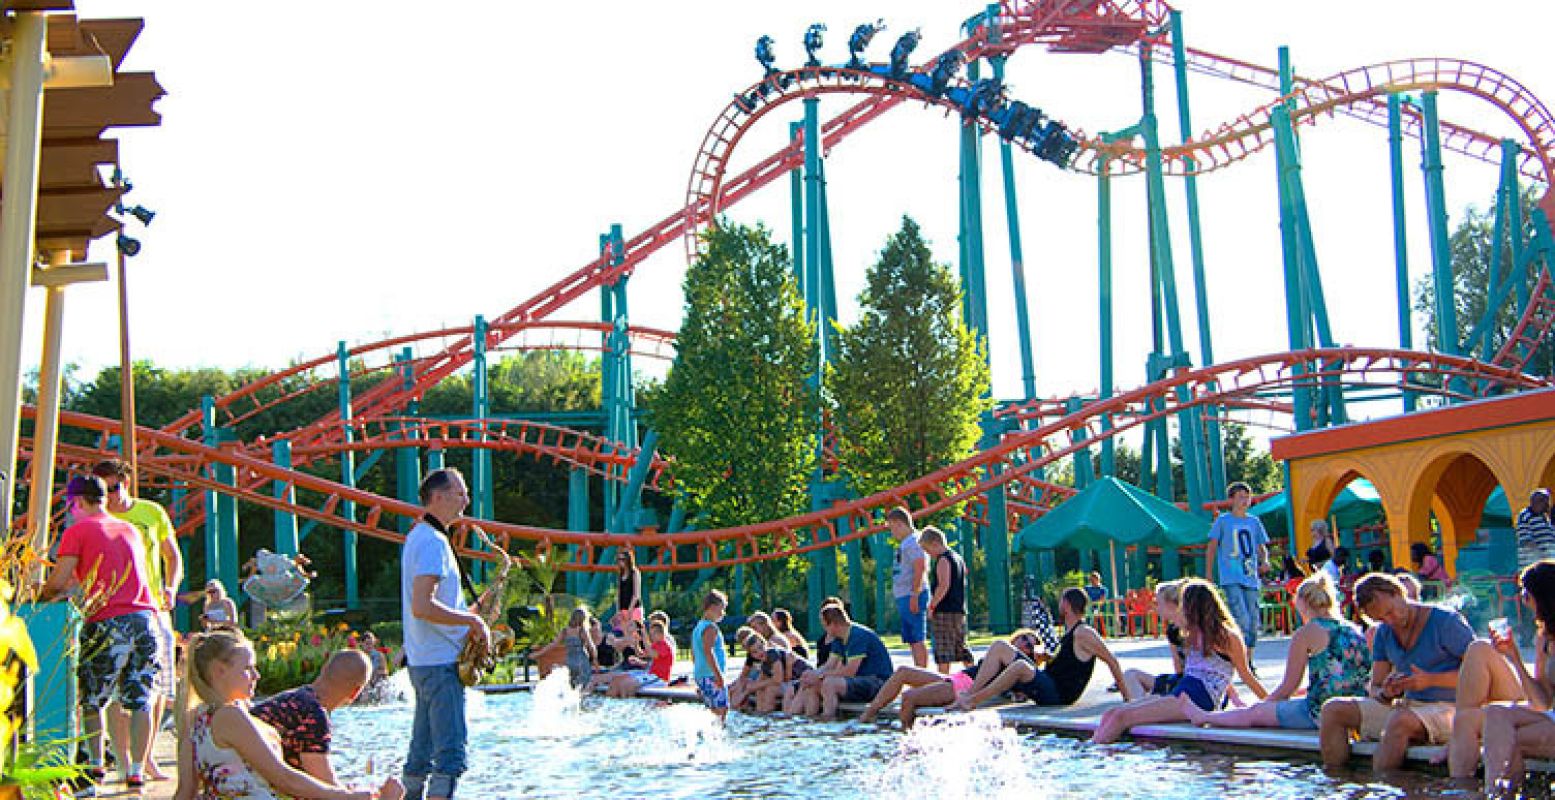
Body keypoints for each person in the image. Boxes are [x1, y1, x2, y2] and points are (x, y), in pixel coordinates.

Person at [36, 475, 165, 794]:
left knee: (92, 698)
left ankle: (95, 765)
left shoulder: (77, 531)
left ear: (76, 502)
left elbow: (59, 580)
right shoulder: (130, 529)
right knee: (141, 699)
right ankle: (136, 770)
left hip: (108, 620)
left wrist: (39, 596)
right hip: (145, 619)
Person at [173, 629, 401, 800]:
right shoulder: (230, 717)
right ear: (219, 671)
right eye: (248, 668)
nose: (256, 675)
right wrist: (349, 797)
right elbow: (284, 779)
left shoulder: (196, 719)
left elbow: (185, 792)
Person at [1319, 572, 1474, 772]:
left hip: (1450, 708)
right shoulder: (1384, 632)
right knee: (1332, 710)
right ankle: (1336, 781)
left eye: (1390, 612)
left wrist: (1431, 680)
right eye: (1381, 619)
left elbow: (1480, 676)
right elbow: (1375, 687)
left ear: (1398, 593)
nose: (1389, 621)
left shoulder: (1446, 622)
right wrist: (1386, 692)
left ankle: (1383, 787)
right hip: (1407, 706)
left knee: (1399, 721)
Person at [1181, 573, 1369, 731]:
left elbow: (1287, 688)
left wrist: (1263, 705)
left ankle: (1204, 716)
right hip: (1357, 708)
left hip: (1321, 712)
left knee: (1254, 713)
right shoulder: (1352, 629)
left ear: (1301, 603)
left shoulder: (1306, 633)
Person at [399, 468, 488, 800]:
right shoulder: (433, 542)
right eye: (460, 493)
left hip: (424, 659)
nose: (466, 500)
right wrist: (473, 623)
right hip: (440, 661)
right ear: (438, 497)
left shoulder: (419, 536)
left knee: (420, 750)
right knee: (450, 754)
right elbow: (423, 605)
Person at [1093, 579, 1267, 744]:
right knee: (1112, 713)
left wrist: (1272, 702)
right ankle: (1096, 751)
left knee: (1121, 717)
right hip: (1184, 689)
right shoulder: (1192, 631)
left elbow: (1246, 675)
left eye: (1183, 604)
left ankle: (1097, 757)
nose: (1180, 609)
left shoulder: (1227, 636)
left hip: (1200, 696)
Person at [94, 459, 182, 784]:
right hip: (114, 607)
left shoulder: (150, 513)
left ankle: (144, 760)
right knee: (118, 689)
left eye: (114, 488)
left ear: (126, 483)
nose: (111, 497)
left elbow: (172, 555)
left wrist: (170, 588)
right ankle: (123, 758)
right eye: (103, 490)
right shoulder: (99, 518)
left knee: (156, 686)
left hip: (153, 606)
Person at [955, 587, 1131, 714]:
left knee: (1021, 666)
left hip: (1059, 694)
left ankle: (973, 700)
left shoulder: (1083, 632)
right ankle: (970, 695)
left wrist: (1128, 699)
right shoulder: (1070, 632)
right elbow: (1070, 664)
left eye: (1062, 600)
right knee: (1000, 646)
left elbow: (1111, 661)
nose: (1059, 604)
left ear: (1067, 605)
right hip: (1050, 683)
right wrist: (1048, 658)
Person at [858, 631, 1044, 729]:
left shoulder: (1016, 667)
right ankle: (869, 714)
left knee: (909, 697)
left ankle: (906, 738)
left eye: (1029, 645)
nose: (1024, 643)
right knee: (903, 672)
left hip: (962, 687)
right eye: (1024, 638)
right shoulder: (1000, 653)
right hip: (956, 678)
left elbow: (1018, 689)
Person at [1480, 560, 1555, 793]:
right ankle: (1498, 792)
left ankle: (1500, 794)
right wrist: (1513, 657)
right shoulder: (1544, 639)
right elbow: (1541, 702)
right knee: (1495, 714)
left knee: (1506, 741)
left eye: (1525, 592)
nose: (1523, 599)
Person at [251, 651, 372, 783]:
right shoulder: (314, 716)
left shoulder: (291, 698)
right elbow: (327, 789)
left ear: (324, 669)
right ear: (355, 692)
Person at [1205, 482, 1270, 653]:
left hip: (1250, 575)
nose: (1244, 500)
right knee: (1241, 618)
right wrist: (1209, 573)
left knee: (1254, 621)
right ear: (1231, 499)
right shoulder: (1223, 521)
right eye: (1240, 496)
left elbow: (1261, 546)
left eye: (1247, 496)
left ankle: (1249, 660)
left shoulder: (1254, 521)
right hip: (1231, 576)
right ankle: (1240, 657)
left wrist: (1265, 561)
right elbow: (1212, 547)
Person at [813, 605, 896, 720]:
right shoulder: (838, 638)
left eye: (824, 625)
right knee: (811, 685)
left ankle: (828, 720)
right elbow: (829, 665)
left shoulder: (858, 636)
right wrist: (812, 675)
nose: (824, 630)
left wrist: (821, 676)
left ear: (832, 624)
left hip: (879, 683)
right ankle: (803, 719)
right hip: (859, 680)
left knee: (829, 684)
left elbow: (850, 671)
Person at [1120, 579, 1187, 699]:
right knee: (1131, 674)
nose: (1155, 607)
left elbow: (1180, 669)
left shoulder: (1186, 629)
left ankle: (1141, 708)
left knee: (1132, 679)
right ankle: (1142, 706)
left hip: (1190, 688)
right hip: (1183, 683)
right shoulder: (1173, 630)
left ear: (1171, 604)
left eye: (1158, 603)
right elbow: (1178, 670)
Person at [922, 526, 973, 674]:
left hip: (944, 610)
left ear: (935, 543)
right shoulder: (958, 558)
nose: (928, 554)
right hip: (958, 609)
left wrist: (932, 606)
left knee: (944, 649)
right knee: (961, 646)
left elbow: (943, 585)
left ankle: (943, 681)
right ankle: (975, 675)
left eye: (927, 549)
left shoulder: (943, 560)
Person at [886, 507, 930, 669]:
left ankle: (923, 675)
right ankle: (920, 672)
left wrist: (914, 594)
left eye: (892, 527)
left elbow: (920, 566)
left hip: (911, 595)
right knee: (912, 638)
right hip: (905, 594)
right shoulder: (907, 543)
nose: (892, 532)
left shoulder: (913, 542)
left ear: (899, 524)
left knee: (917, 638)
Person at [738, 632, 807, 713]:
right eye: (754, 652)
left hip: (802, 679)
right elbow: (759, 681)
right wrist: (748, 690)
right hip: (791, 681)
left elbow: (778, 679)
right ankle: (761, 713)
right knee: (760, 690)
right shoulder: (764, 662)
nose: (759, 652)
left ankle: (768, 714)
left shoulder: (772, 653)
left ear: (765, 645)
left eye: (760, 647)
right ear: (751, 655)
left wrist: (756, 685)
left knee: (771, 689)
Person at [606, 619, 676, 698]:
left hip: (659, 678)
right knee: (616, 679)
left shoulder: (665, 645)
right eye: (650, 634)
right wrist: (636, 644)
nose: (651, 637)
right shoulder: (655, 645)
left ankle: (627, 703)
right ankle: (610, 702)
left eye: (653, 634)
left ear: (661, 634)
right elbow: (641, 654)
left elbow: (652, 654)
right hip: (651, 675)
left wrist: (644, 637)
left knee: (626, 684)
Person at [693, 591, 730, 722]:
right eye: (722, 609)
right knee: (721, 710)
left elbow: (694, 654)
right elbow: (709, 652)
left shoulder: (698, 627)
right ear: (713, 607)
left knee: (712, 710)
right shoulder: (710, 628)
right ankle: (719, 738)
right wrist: (719, 675)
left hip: (702, 674)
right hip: (712, 675)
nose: (723, 613)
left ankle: (708, 736)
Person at [554, 609, 597, 690]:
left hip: (569, 661)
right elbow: (591, 647)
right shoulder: (582, 630)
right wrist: (595, 660)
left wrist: (538, 653)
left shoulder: (565, 631)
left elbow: (553, 644)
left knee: (571, 688)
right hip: (581, 661)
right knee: (584, 687)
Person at [1517, 490, 1555, 572]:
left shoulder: (1545, 518)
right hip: (1533, 567)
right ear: (1534, 502)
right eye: (1545, 502)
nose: (1547, 506)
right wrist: (1542, 561)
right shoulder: (1525, 515)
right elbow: (1526, 542)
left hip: (1547, 566)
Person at [614, 547, 643, 627]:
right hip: (623, 609)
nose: (620, 562)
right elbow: (619, 593)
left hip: (633, 608)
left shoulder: (635, 573)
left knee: (635, 631)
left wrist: (629, 610)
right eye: (619, 559)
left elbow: (636, 594)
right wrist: (618, 611)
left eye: (623, 559)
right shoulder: (620, 574)